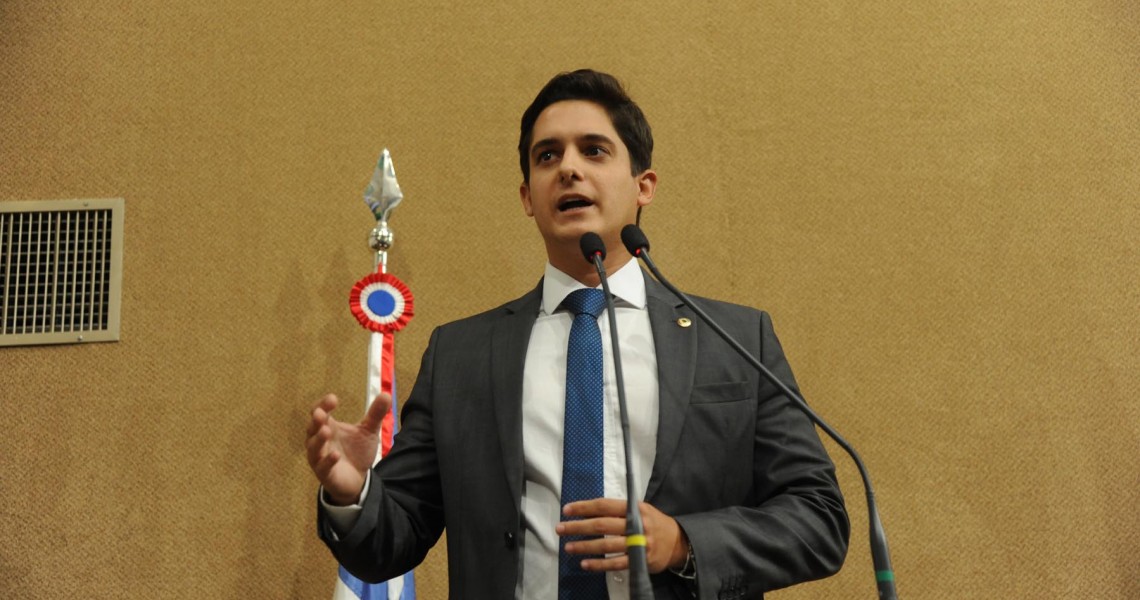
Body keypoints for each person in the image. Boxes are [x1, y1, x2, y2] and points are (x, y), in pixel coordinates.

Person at [305, 69, 849, 599]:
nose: (567, 169)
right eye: (548, 156)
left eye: (593, 150)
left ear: (644, 186)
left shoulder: (732, 339)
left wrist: (683, 542)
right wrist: (353, 494)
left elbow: (817, 519)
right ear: (527, 197)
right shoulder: (462, 355)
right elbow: (391, 540)